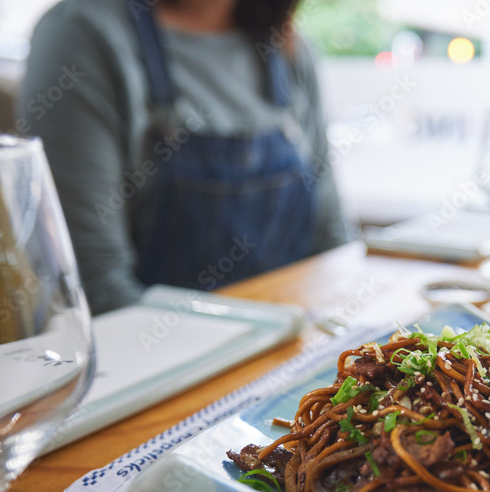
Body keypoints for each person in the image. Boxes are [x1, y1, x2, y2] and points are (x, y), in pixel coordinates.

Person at [18, 0, 348, 314]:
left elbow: (332, 242)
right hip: (163, 359)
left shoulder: (287, 47)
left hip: (293, 350)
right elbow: (96, 286)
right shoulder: (81, 33)